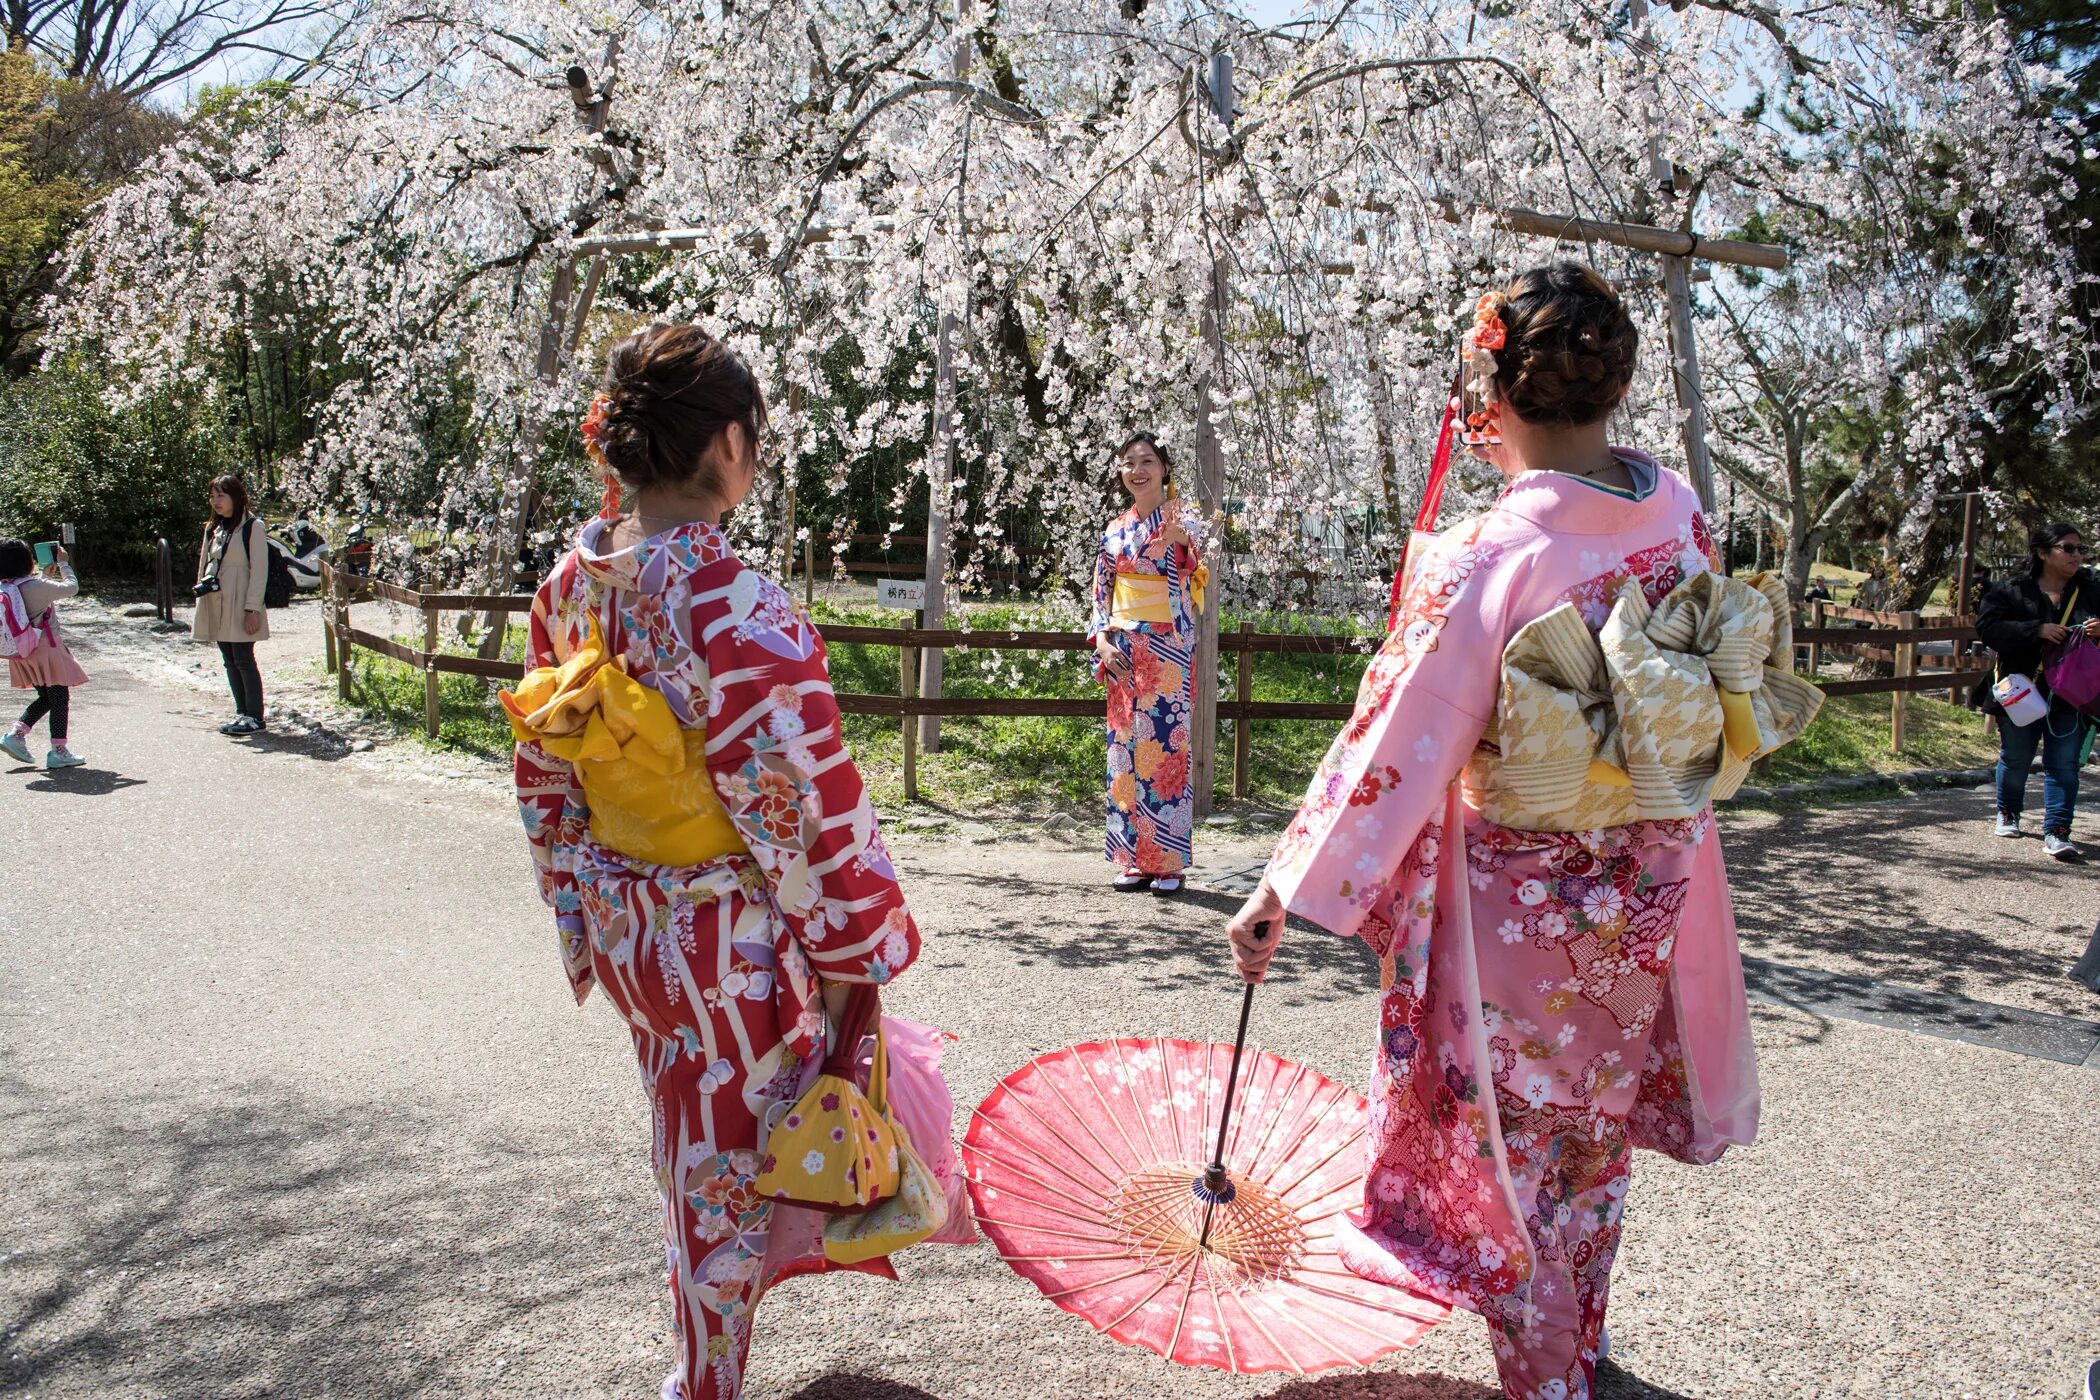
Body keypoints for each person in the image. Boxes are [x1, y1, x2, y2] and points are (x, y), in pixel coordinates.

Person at [1224, 263, 1813, 1400]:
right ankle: (1573, 1342)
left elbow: (1404, 729)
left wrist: (1287, 883)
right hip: (1645, 876)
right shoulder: (1675, 507)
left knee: (1519, 1145)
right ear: (1616, 383)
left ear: (1489, 392)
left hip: (1527, 902)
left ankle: (1545, 1372)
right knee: (1586, 1141)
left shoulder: (1496, 551)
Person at [506, 324, 925, 1400]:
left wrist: (581, 909)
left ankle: (701, 1358)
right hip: (721, 940)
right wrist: (851, 958)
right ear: (731, 444)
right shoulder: (734, 603)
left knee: (692, 1140)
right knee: (724, 1179)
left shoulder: (569, 585)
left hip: (631, 917)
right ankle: (704, 1381)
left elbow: (544, 770)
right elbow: (805, 807)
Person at [1086, 431, 1208, 895]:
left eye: (1148, 461)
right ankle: (1132, 857)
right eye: (1129, 463)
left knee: (1166, 750)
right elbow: (1101, 593)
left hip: (1167, 649)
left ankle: (1169, 862)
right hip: (1122, 650)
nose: (1138, 470)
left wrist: (1186, 544)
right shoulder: (1115, 529)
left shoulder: (1183, 519)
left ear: (1164, 469)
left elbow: (1199, 575)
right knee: (1123, 750)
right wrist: (1101, 641)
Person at [1974, 522, 2099, 859]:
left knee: (2064, 763)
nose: (2077, 555)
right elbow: (1987, 628)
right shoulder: (2013, 589)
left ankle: (2057, 831)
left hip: (2070, 694)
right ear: (2043, 553)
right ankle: (2008, 810)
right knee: (2017, 758)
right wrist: (2037, 629)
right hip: (2022, 689)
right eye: (2068, 548)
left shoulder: (2090, 590)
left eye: (2079, 548)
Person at [0, 540, 88, 769]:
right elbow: (72, 587)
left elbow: (32, 592)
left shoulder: (7, 586)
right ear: (26, 560)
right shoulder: (37, 586)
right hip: (46, 650)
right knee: (60, 699)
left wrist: (44, 575)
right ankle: (58, 751)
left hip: (23, 652)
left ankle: (16, 735)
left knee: (47, 698)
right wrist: (63, 564)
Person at [193, 474, 271, 734]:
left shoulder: (252, 527)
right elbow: (205, 564)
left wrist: (252, 609)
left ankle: (255, 716)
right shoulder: (213, 528)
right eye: (212, 495)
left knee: (244, 658)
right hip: (218, 601)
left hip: (241, 601)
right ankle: (241, 712)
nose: (216, 501)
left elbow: (259, 571)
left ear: (235, 496)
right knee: (229, 658)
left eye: (221, 495)